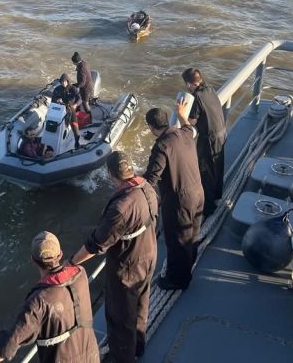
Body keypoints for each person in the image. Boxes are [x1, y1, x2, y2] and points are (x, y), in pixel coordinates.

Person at [69, 151, 158, 362]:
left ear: (111, 174)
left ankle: (122, 356)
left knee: (121, 316)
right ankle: (138, 345)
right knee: (141, 304)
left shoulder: (121, 207)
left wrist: (72, 262)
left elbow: (97, 243)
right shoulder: (147, 188)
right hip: (149, 255)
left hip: (128, 267)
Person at [0, 231, 100, 363]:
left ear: (33, 260)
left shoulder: (38, 301)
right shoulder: (80, 274)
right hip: (91, 356)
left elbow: (8, 344)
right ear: (60, 254)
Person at [143, 100, 204, 291]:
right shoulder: (185, 134)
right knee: (192, 234)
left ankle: (178, 280)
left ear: (152, 127)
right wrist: (181, 114)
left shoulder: (161, 146)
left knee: (177, 240)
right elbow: (191, 128)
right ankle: (189, 264)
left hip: (180, 200)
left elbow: (151, 178)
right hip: (198, 192)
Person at [180, 68, 227, 217]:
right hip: (221, 135)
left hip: (210, 140)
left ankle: (208, 207)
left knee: (206, 171)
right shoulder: (210, 89)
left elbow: (191, 121)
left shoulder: (197, 97)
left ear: (188, 84)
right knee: (218, 167)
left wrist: (181, 114)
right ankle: (218, 196)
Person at [71, 52, 94, 117]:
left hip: (86, 88)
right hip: (89, 84)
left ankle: (89, 116)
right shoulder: (84, 63)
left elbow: (82, 82)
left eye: (73, 62)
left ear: (76, 62)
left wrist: (75, 86)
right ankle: (78, 112)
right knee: (81, 98)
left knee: (85, 102)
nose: (73, 63)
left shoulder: (81, 70)